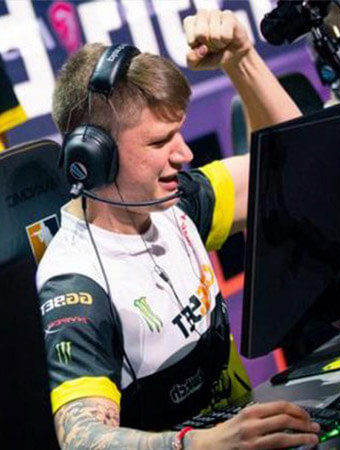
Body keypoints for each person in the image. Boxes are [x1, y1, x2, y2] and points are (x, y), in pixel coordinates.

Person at [37, 10, 318, 450]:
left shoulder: (174, 203)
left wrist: (242, 60)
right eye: (158, 142)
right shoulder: (75, 282)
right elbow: (82, 438)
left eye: (178, 134)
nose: (184, 154)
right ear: (94, 156)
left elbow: (296, 169)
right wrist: (201, 444)